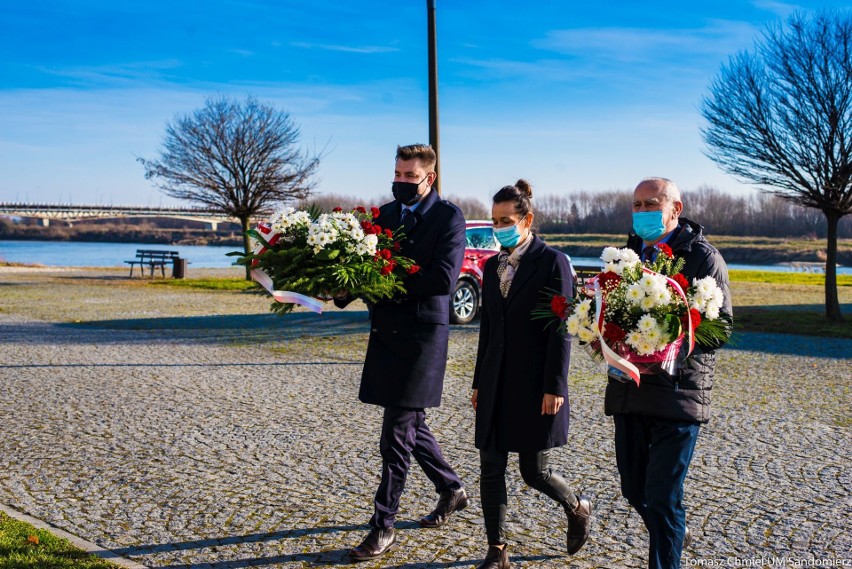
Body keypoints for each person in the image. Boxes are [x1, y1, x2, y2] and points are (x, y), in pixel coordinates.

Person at [336, 144, 469, 561]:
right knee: (412, 425)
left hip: (422, 340)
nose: (401, 181)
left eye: (410, 176)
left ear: (429, 178)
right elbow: (360, 267)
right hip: (388, 333)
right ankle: (451, 489)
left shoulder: (449, 217)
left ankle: (383, 525)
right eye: (397, 173)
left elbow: (443, 280)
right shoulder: (383, 216)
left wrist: (383, 277)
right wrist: (342, 285)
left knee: (395, 434)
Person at [605, 177, 733, 569]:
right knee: (633, 490)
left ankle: (667, 551)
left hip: (678, 395)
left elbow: (722, 326)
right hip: (630, 389)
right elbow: (605, 313)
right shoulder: (624, 255)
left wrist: (667, 337)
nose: (642, 212)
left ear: (675, 209)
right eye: (637, 205)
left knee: (662, 497)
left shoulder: (702, 257)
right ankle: (674, 529)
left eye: (651, 204)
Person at [471, 179, 592, 569]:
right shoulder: (491, 266)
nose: (499, 227)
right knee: (490, 466)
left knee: (533, 472)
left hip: (533, 382)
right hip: (495, 380)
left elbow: (562, 328)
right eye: (494, 221)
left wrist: (554, 385)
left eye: (506, 219)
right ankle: (497, 550)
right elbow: (487, 329)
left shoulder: (553, 262)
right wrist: (478, 380)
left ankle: (576, 507)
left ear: (528, 219)